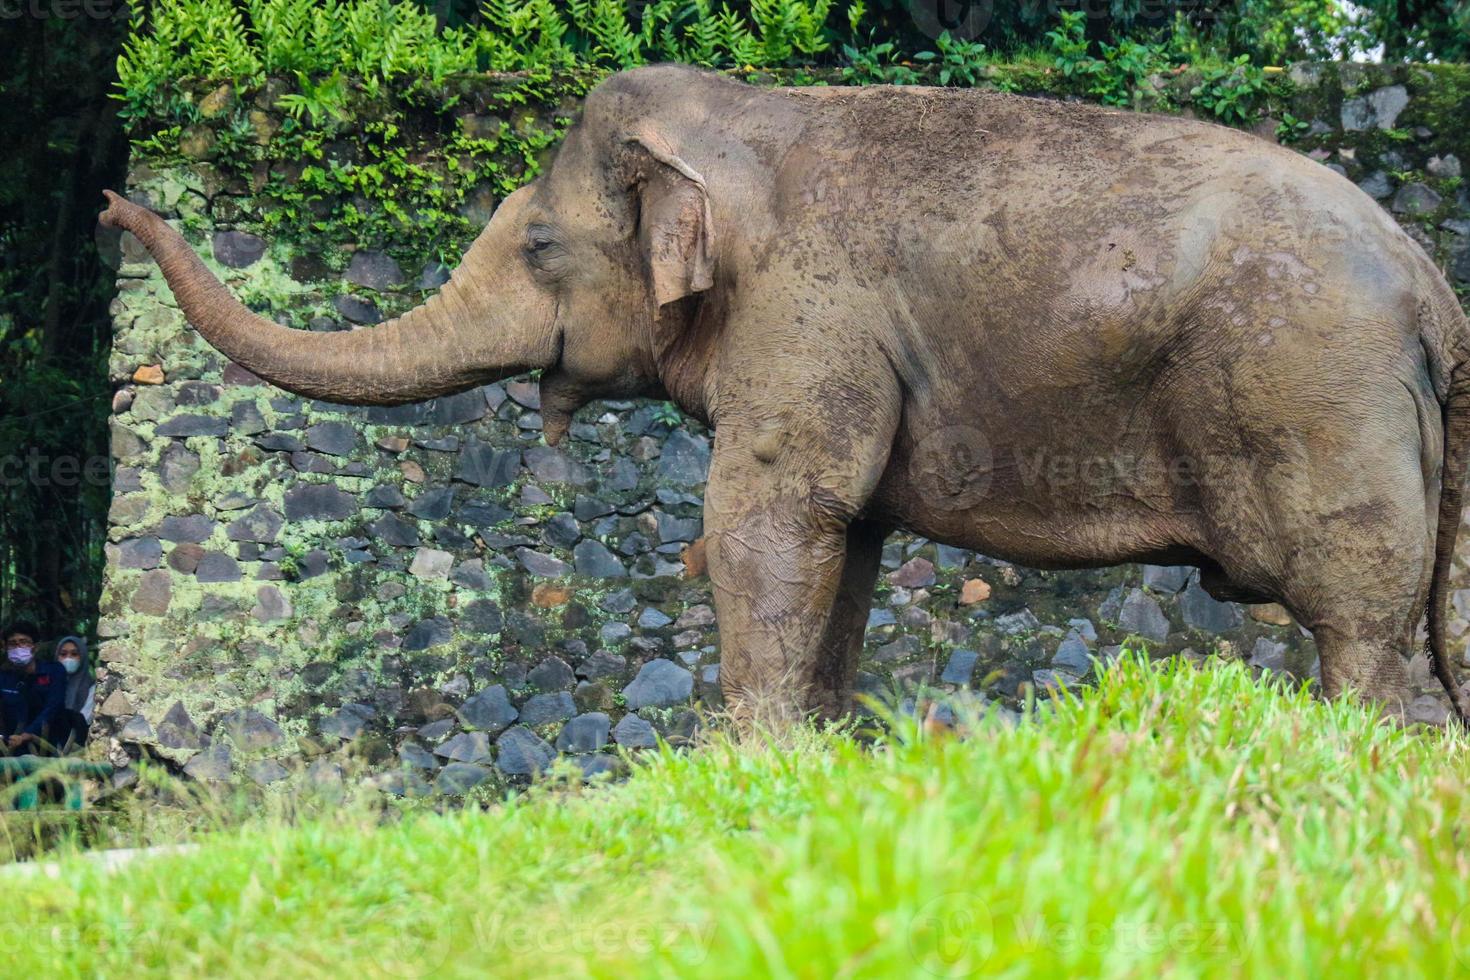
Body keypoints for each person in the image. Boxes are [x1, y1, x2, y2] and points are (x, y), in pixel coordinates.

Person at [0, 620, 66, 754]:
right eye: (13, 644)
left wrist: (28, 734)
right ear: (6, 648)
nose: (18, 647)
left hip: (49, 746)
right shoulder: (4, 676)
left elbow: (53, 707)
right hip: (10, 747)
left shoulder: (54, 671)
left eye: (23, 642)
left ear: (35, 647)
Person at [52, 636, 94, 751]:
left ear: (83, 657)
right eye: (63, 654)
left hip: (78, 747)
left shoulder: (92, 688)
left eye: (74, 654)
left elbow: (84, 720)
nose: (68, 658)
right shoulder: (49, 683)